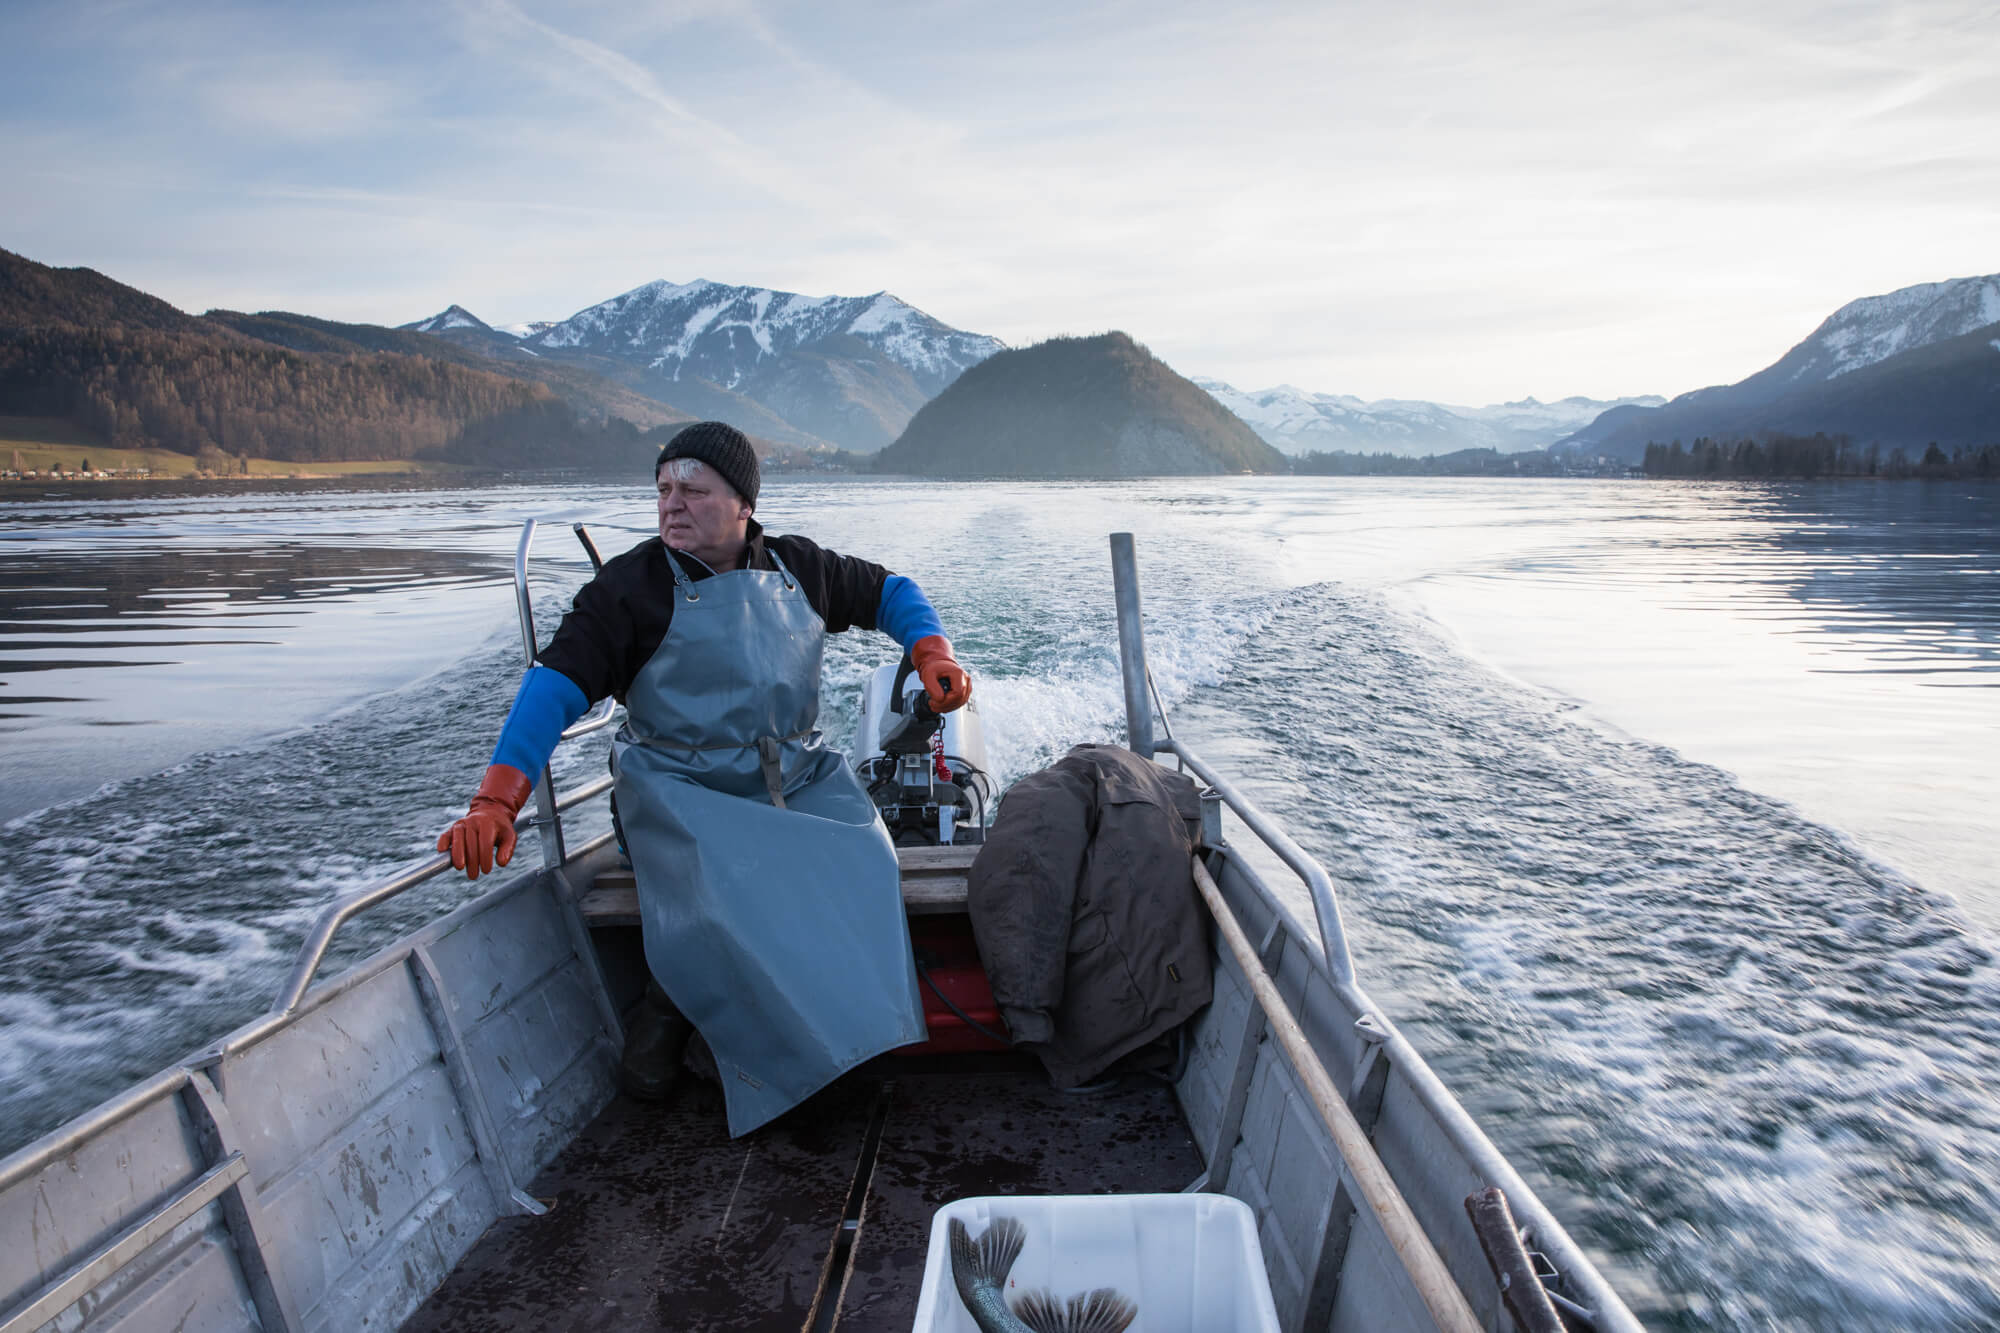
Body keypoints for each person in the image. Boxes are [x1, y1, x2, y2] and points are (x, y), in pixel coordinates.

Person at [435, 421, 972, 1135]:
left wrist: (930, 646)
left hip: (794, 776)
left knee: (868, 859)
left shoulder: (799, 568)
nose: (672, 504)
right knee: (742, 879)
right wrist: (496, 799)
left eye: (694, 489)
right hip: (678, 795)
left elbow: (889, 590)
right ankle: (685, 1017)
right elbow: (554, 685)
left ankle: (857, 1042)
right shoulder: (628, 590)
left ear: (744, 503)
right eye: (663, 489)